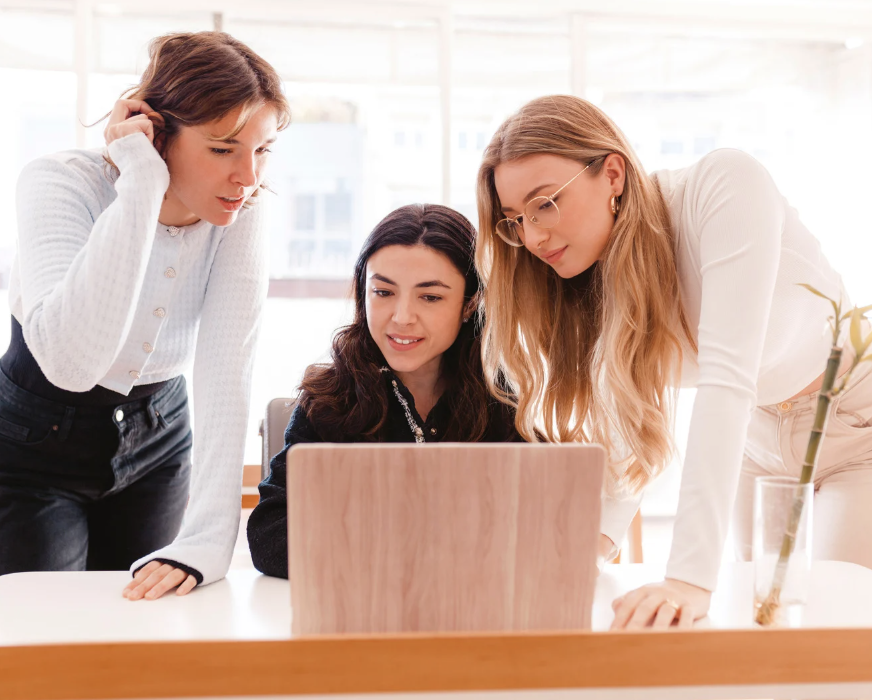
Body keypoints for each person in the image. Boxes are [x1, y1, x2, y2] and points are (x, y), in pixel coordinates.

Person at [475, 94, 872, 629]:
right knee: (762, 629)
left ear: (612, 173)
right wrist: (585, 549)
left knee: (836, 629)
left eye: (545, 203)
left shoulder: (724, 187)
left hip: (855, 428)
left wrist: (686, 577)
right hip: (758, 441)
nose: (533, 236)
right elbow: (631, 422)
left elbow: (726, 381)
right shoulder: (600, 274)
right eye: (515, 220)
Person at [0, 31, 290, 600]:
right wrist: (139, 184)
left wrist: (207, 543)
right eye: (223, 148)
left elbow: (227, 369)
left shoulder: (243, 207)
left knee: (143, 632)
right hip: (36, 439)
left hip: (159, 434)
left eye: (262, 149)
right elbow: (71, 362)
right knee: (43, 640)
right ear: (158, 134)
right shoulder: (60, 182)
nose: (248, 176)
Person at [247, 204, 521, 578]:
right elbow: (271, 536)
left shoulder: (508, 400)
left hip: (473, 615)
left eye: (431, 297)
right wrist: (412, 550)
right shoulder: (330, 399)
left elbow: (538, 528)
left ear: (469, 304)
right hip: (359, 616)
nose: (402, 316)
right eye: (383, 291)